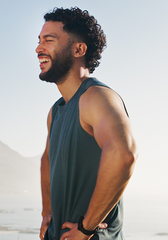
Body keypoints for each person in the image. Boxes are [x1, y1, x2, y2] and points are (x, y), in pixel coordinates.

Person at [36, 7, 138, 240]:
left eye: (48, 40)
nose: (38, 48)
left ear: (79, 49)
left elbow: (124, 154)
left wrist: (86, 228)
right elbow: (47, 160)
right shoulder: (56, 110)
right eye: (39, 41)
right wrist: (47, 212)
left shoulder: (96, 97)